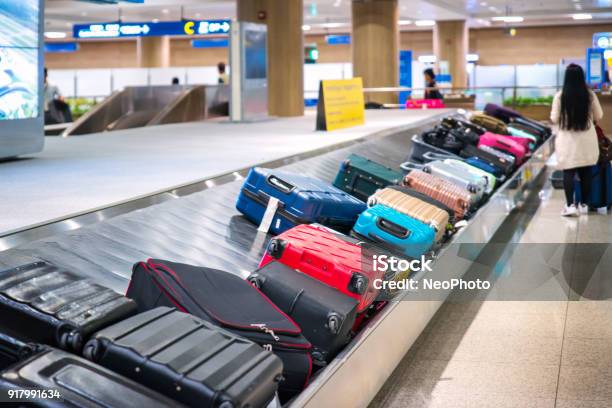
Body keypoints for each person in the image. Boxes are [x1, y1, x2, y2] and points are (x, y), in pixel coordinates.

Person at [551, 64, 603, 217]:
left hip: (567, 140)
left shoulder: (560, 96)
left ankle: (569, 206)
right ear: (582, 77)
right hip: (587, 140)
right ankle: (584, 205)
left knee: (568, 171)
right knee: (586, 172)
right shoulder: (590, 95)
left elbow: (554, 118)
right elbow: (599, 115)